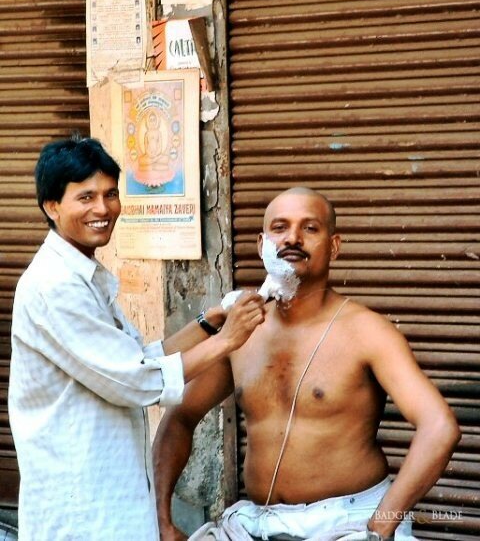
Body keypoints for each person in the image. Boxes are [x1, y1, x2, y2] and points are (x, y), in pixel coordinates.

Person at [153, 187, 461, 541]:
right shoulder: (241, 331)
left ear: (334, 246)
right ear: (261, 243)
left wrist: (381, 525)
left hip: (348, 523)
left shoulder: (367, 331)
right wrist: (163, 520)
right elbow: (180, 416)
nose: (293, 238)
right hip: (256, 522)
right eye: (280, 227)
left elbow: (439, 427)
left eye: (310, 228)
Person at [8, 135, 265, 541]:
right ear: (52, 206)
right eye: (85, 196)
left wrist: (208, 322)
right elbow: (136, 380)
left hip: (108, 495)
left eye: (111, 194)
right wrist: (228, 341)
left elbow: (140, 359)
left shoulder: (86, 278)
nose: (103, 209)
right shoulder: (53, 286)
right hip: (81, 507)